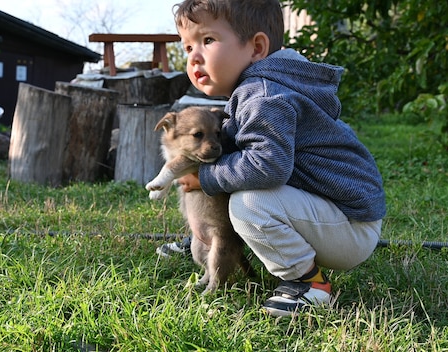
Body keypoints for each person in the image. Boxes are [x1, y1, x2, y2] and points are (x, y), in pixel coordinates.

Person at [159, 0, 386, 317]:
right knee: (237, 176)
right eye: (187, 47)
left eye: (207, 40)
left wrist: (205, 178)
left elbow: (268, 166)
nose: (194, 56)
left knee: (249, 202)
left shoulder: (263, 95)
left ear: (256, 48)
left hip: (348, 225)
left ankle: (309, 284)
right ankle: (212, 238)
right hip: (335, 215)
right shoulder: (261, 88)